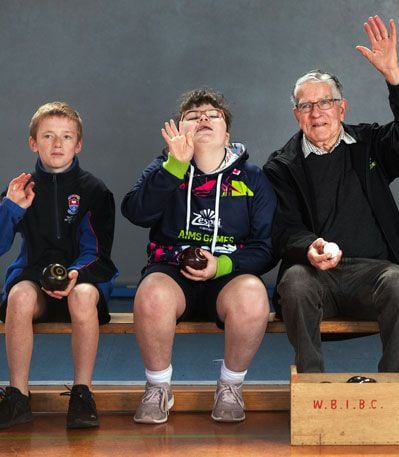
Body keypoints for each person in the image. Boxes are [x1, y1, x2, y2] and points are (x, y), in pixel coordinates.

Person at [263, 15, 399, 373]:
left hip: (373, 275)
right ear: (297, 115)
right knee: (293, 283)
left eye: (325, 102)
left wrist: (394, 76)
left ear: (342, 108)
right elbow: (284, 228)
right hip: (315, 276)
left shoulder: (369, 145)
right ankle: (311, 383)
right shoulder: (281, 166)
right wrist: (310, 246)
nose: (316, 112)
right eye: (306, 106)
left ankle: (391, 382)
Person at [121, 88, 276, 424]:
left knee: (253, 294)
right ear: (180, 130)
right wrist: (175, 166)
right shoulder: (165, 165)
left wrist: (221, 265)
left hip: (227, 275)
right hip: (173, 272)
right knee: (151, 294)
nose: (203, 118)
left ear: (227, 134)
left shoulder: (253, 178)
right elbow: (135, 212)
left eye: (213, 115)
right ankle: (158, 388)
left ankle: (230, 387)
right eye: (192, 116)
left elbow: (266, 246)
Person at [0, 102, 118, 429]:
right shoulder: (21, 190)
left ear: (78, 144)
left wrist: (76, 273)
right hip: (34, 278)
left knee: (81, 297)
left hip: (84, 277)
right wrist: (10, 208)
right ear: (32, 143)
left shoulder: (94, 191)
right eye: (48, 136)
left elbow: (97, 250)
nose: (57, 144)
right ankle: (17, 396)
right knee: (19, 297)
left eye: (66, 137)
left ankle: (82, 394)